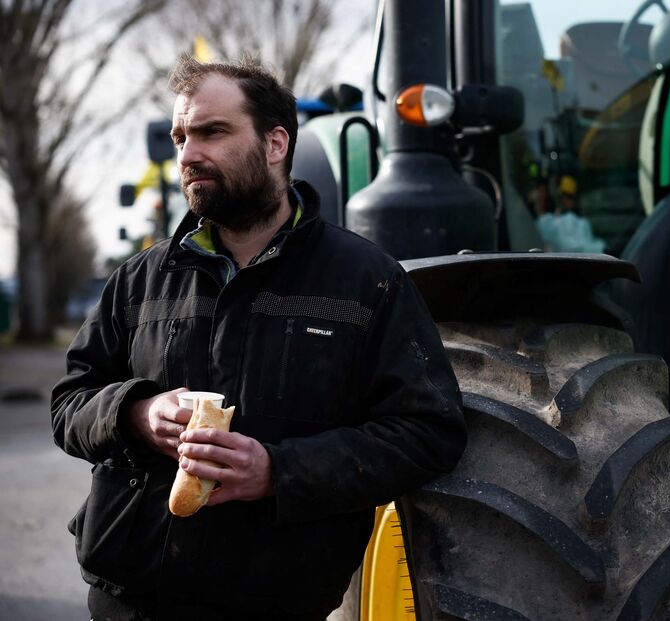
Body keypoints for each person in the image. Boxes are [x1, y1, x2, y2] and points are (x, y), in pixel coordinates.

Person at [51, 54, 466, 620]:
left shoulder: (368, 280)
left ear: (276, 144)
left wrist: (278, 472)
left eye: (212, 132)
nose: (189, 154)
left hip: (277, 601)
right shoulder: (140, 279)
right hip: (129, 595)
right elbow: (69, 406)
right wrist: (136, 413)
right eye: (180, 136)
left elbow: (428, 433)